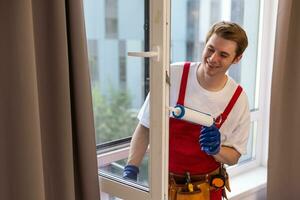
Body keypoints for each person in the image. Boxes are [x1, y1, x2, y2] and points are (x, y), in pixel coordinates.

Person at [123, 21, 250, 200]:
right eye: (210, 49)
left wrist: (216, 150)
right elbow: (146, 126)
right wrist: (131, 169)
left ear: (237, 59)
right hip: (163, 186)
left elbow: (234, 156)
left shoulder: (238, 99)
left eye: (223, 54)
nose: (213, 58)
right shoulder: (173, 75)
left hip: (207, 190)